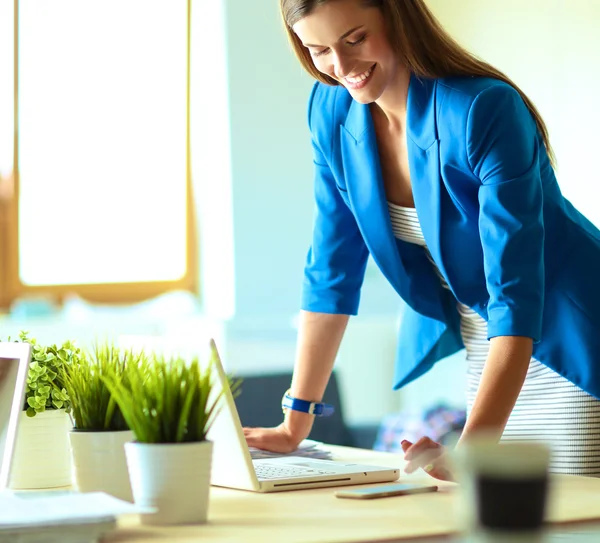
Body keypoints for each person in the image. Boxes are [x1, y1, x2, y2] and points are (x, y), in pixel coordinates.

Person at [244, 0, 600, 480]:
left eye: (354, 39)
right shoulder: (330, 110)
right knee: (494, 513)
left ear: (396, 16)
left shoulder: (482, 110)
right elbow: (331, 272)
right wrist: (295, 421)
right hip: (491, 344)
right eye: (318, 49)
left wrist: (469, 451)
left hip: (572, 336)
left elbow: (515, 294)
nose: (342, 67)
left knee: (562, 513)